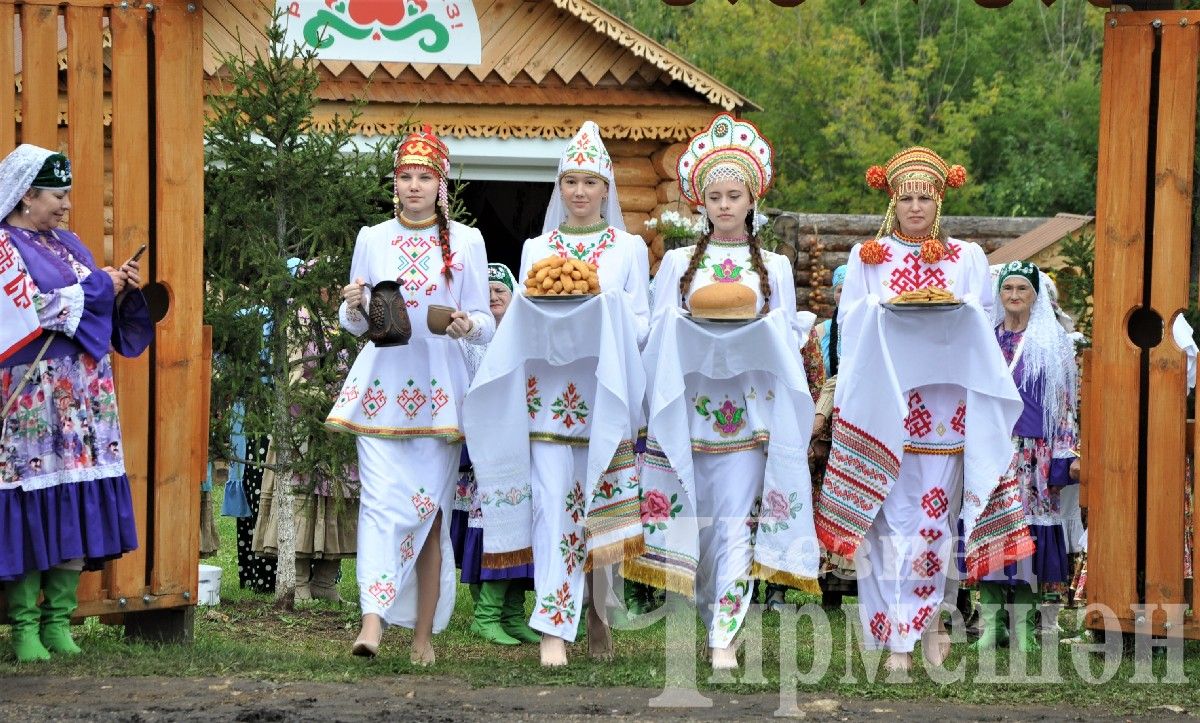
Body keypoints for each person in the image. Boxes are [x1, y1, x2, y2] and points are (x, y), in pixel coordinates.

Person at [816, 147, 1027, 673]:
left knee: (934, 522)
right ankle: (893, 638)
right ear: (892, 199)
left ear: (940, 201)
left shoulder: (966, 258)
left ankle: (928, 625)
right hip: (886, 410)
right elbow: (849, 325)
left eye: (924, 198)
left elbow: (980, 324)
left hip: (945, 412)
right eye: (905, 197)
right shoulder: (869, 257)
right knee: (889, 524)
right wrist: (881, 310)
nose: (915, 207)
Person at [627, 113, 819, 671]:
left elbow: (785, 339)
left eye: (735, 195)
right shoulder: (681, 264)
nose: (726, 205)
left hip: (748, 418)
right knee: (699, 528)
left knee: (735, 525)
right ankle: (707, 614)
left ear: (752, 198)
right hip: (688, 416)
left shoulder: (776, 266)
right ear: (701, 203)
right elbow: (657, 336)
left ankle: (723, 639)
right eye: (716, 196)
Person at [465, 121, 648, 667]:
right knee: (551, 508)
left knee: (602, 505)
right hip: (546, 399)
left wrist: (606, 314)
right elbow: (525, 319)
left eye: (590, 182)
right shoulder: (536, 248)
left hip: (604, 394)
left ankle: (597, 613)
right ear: (559, 187)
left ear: (607, 189)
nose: (580, 191)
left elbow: (641, 323)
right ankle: (553, 628)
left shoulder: (629, 248)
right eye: (570, 181)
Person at [325, 127, 494, 665]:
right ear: (394, 183)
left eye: (425, 177)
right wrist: (353, 305)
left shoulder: (467, 241)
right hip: (380, 391)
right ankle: (371, 622)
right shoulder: (371, 237)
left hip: (441, 396)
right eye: (405, 176)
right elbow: (355, 325)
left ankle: (422, 635)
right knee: (378, 506)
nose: (414, 185)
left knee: (429, 515)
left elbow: (486, 322)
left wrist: (469, 325)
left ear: (441, 185)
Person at [0, 144, 152, 662]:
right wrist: (96, 286)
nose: (67, 205)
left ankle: (58, 621)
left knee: (71, 499)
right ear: (26, 196)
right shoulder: (3, 246)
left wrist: (120, 289)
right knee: (29, 499)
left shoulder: (71, 244)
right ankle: (22, 628)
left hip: (84, 397)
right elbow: (31, 309)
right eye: (58, 194)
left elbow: (91, 302)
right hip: (31, 397)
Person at [972, 261, 1079, 652]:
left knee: (1031, 534)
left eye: (1023, 290)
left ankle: (1023, 626)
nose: (1014, 296)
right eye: (1008, 289)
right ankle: (991, 624)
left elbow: (1065, 406)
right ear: (1000, 295)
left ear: (1036, 296)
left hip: (1036, 452)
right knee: (992, 529)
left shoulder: (1053, 345)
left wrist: (1065, 457)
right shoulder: (987, 341)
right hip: (993, 451)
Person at [449, 262, 539, 645]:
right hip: (483, 450)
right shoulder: (470, 342)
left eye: (500, 290)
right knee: (489, 534)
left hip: (519, 445)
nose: (493, 297)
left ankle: (513, 614)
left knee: (521, 529)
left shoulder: (525, 337)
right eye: (486, 292)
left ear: (514, 294)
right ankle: (485, 615)